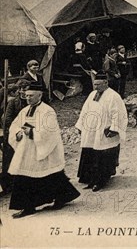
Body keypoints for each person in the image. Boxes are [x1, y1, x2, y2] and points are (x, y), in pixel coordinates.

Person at [7, 84, 80, 218]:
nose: (28, 98)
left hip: (43, 148)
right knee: (25, 175)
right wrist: (17, 133)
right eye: (26, 95)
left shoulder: (47, 111)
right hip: (27, 149)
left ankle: (62, 197)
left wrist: (33, 132)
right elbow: (15, 125)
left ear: (40, 95)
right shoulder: (25, 110)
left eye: (31, 96)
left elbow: (50, 131)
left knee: (49, 174)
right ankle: (28, 207)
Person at [75, 73, 128, 192]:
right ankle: (89, 179)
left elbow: (119, 114)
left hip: (104, 129)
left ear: (106, 83)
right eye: (95, 84)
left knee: (102, 156)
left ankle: (100, 181)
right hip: (91, 130)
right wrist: (80, 125)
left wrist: (114, 128)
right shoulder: (92, 94)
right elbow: (85, 110)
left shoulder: (114, 96)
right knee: (90, 152)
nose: (96, 87)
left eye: (99, 84)